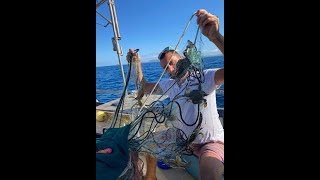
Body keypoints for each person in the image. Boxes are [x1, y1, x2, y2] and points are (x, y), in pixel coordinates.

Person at [126, 9, 224, 180]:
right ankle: (150, 178)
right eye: (165, 67)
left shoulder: (206, 76)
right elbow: (142, 86)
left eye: (171, 63)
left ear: (181, 59)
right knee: (144, 142)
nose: (170, 69)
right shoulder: (169, 85)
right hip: (181, 138)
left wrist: (215, 37)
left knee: (208, 171)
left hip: (210, 142)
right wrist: (137, 64)